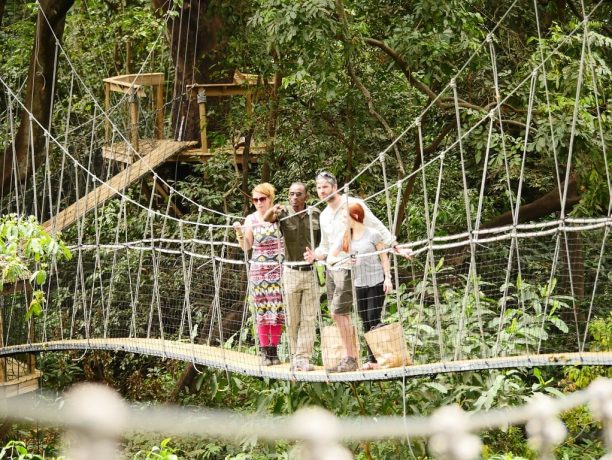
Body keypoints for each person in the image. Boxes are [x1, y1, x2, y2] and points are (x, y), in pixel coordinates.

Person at [304, 171, 397, 373]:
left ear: (334, 187)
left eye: (325, 187)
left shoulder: (353, 204)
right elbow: (325, 246)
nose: (321, 191)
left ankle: (351, 357)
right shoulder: (324, 215)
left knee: (339, 312)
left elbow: (376, 226)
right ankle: (357, 357)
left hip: (348, 268)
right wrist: (315, 255)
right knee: (341, 313)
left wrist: (393, 245)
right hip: (331, 268)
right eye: (319, 188)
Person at [264, 182, 321, 372]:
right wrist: (273, 209)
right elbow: (266, 219)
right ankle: (295, 356)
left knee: (309, 318)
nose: (294, 197)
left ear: (306, 197)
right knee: (293, 318)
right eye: (291, 194)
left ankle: (303, 358)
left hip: (310, 272)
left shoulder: (316, 214)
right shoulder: (283, 213)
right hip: (290, 271)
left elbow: (325, 239)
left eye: (298, 194)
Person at [329, 202, 392, 370]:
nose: (343, 220)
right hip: (359, 284)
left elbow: (384, 257)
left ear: (355, 216)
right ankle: (373, 361)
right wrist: (344, 260)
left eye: (345, 217)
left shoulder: (373, 234)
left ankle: (380, 358)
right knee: (365, 321)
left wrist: (388, 279)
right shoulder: (345, 237)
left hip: (376, 281)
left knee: (373, 317)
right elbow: (330, 258)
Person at [233, 183, 285, 366]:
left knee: (277, 310)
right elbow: (246, 246)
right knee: (262, 311)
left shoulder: (279, 215)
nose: (258, 203)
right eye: (255, 200)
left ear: (270, 198)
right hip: (258, 272)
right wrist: (239, 232)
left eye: (262, 199)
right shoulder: (251, 219)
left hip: (278, 270)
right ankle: (264, 352)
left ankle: (274, 350)